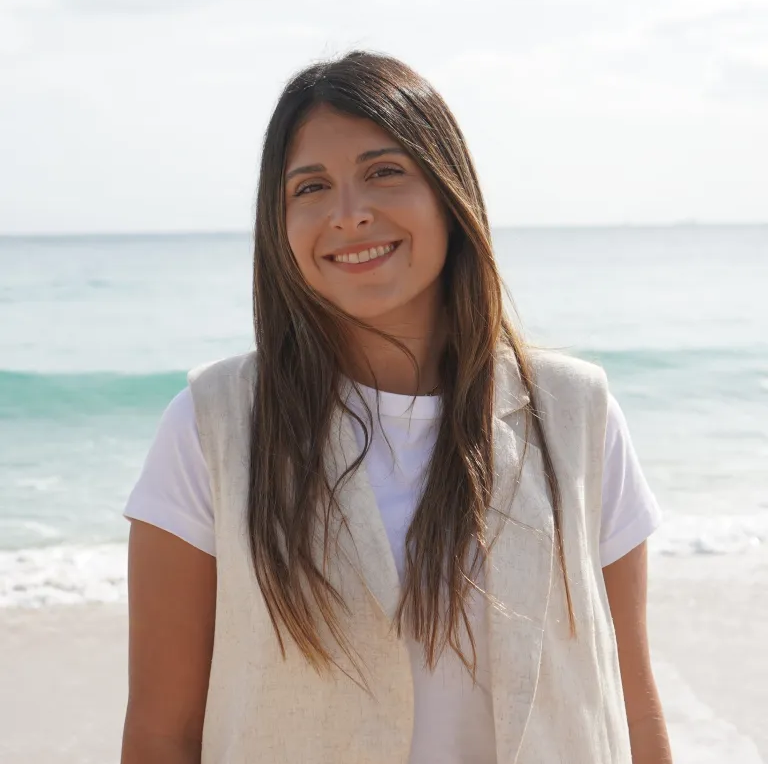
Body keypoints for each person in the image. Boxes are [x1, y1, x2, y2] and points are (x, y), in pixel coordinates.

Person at [121, 50, 672, 764]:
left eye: (384, 172)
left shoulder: (576, 414)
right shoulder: (212, 427)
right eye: (311, 187)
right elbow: (161, 733)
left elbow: (631, 702)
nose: (349, 213)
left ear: (448, 191)